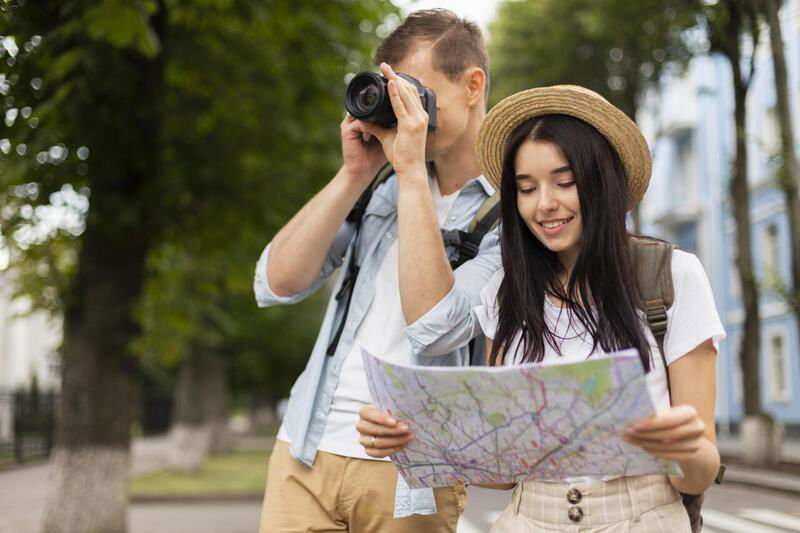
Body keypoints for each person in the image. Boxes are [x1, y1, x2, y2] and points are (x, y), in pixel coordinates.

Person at [356, 85, 725, 532]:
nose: (545, 203)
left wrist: (684, 449)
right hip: (529, 519)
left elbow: (700, 473)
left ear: (601, 182)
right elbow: (505, 471)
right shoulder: (503, 293)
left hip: (642, 517)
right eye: (526, 188)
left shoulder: (671, 276)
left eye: (564, 182)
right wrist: (413, 437)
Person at [254, 9, 501, 532]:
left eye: (413, 92)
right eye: (393, 95)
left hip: (411, 473)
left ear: (472, 85)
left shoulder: (509, 213)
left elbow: (436, 326)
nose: (401, 110)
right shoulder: (380, 187)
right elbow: (277, 283)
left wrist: (410, 170)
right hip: (305, 447)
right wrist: (354, 174)